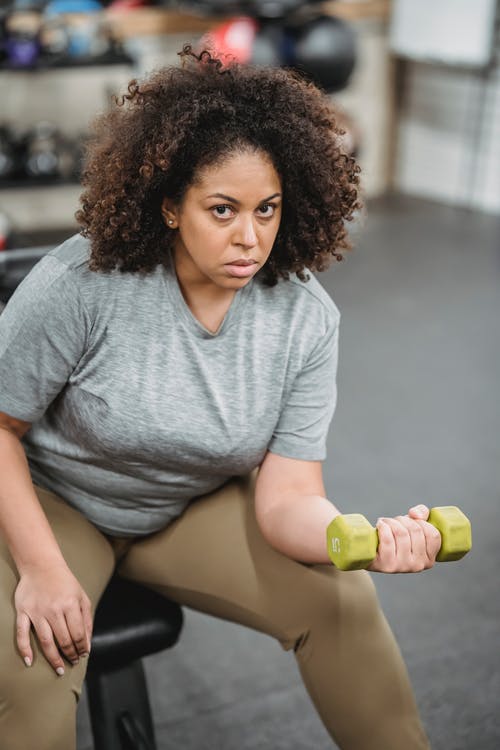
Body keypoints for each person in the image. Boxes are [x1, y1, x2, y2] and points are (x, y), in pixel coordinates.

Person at [0, 46, 440, 750]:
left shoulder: (305, 318)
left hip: (184, 508)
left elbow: (289, 494)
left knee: (341, 598)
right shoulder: (81, 283)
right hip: (61, 504)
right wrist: (44, 571)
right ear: (171, 205)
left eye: (266, 209)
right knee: (32, 658)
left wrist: (360, 543)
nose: (250, 236)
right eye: (222, 209)